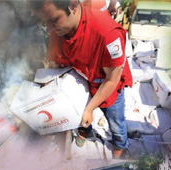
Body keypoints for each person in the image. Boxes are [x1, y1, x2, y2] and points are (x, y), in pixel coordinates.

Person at [31, 0, 132, 158]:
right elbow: (55, 65)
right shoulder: (58, 30)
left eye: (54, 20)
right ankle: (85, 131)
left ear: (72, 6)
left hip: (108, 85)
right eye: (45, 22)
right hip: (85, 80)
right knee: (81, 116)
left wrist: (90, 109)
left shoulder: (108, 34)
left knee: (115, 120)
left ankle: (120, 145)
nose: (49, 28)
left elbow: (112, 79)